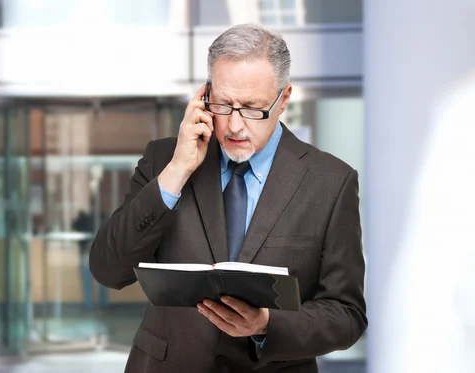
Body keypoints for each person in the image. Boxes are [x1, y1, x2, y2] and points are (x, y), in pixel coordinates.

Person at [89, 23, 367, 373]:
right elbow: (108, 270)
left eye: (252, 109)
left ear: (284, 100)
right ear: (205, 96)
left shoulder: (331, 182)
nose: (235, 126)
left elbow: (347, 315)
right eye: (223, 104)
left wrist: (267, 324)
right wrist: (177, 171)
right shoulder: (165, 160)